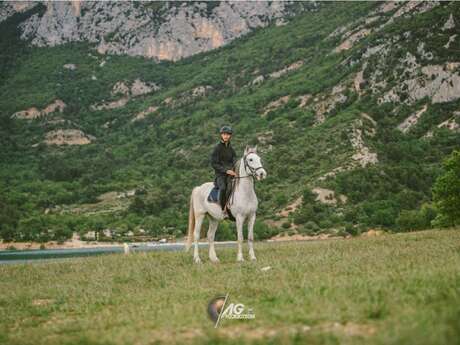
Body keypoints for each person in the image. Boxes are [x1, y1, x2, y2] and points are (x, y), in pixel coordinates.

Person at [211, 125, 237, 216]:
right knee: (223, 188)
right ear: (221, 135)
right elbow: (214, 164)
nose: (226, 136)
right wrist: (226, 171)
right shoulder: (217, 148)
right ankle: (223, 210)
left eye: (228, 134)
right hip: (220, 174)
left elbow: (234, 159)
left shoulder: (231, 148)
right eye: (224, 134)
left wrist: (235, 168)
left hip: (231, 173)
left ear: (230, 136)